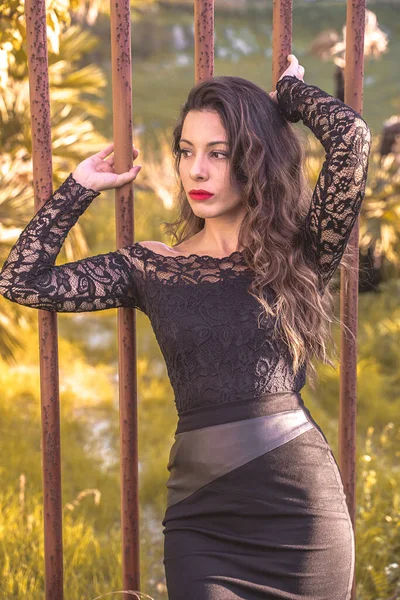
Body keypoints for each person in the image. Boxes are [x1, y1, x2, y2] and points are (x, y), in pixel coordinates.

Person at [0, 54, 371, 599]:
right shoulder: (154, 266)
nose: (196, 171)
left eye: (219, 155)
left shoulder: (302, 250)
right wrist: (79, 187)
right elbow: (22, 280)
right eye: (186, 152)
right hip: (203, 521)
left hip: (300, 513)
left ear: (256, 159)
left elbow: (351, 140)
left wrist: (291, 98)